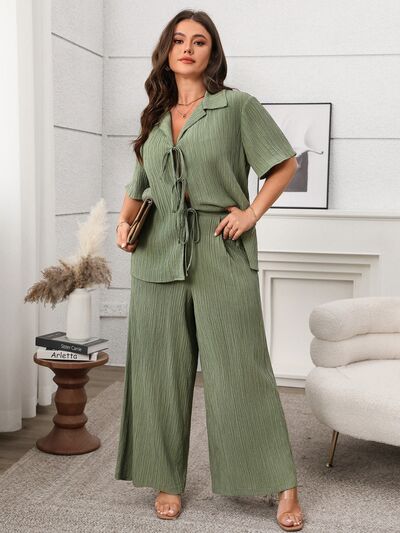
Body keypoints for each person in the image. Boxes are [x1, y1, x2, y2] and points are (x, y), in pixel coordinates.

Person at [114, 9, 304, 531]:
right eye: (179, 40)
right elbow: (138, 188)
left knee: (241, 371)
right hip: (156, 253)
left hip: (221, 247)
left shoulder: (237, 106)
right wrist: (123, 225)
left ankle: (282, 482)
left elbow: (284, 163)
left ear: (212, 53)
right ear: (166, 51)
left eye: (199, 41)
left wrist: (251, 213)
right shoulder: (154, 116)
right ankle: (166, 478)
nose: (188, 48)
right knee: (158, 373)